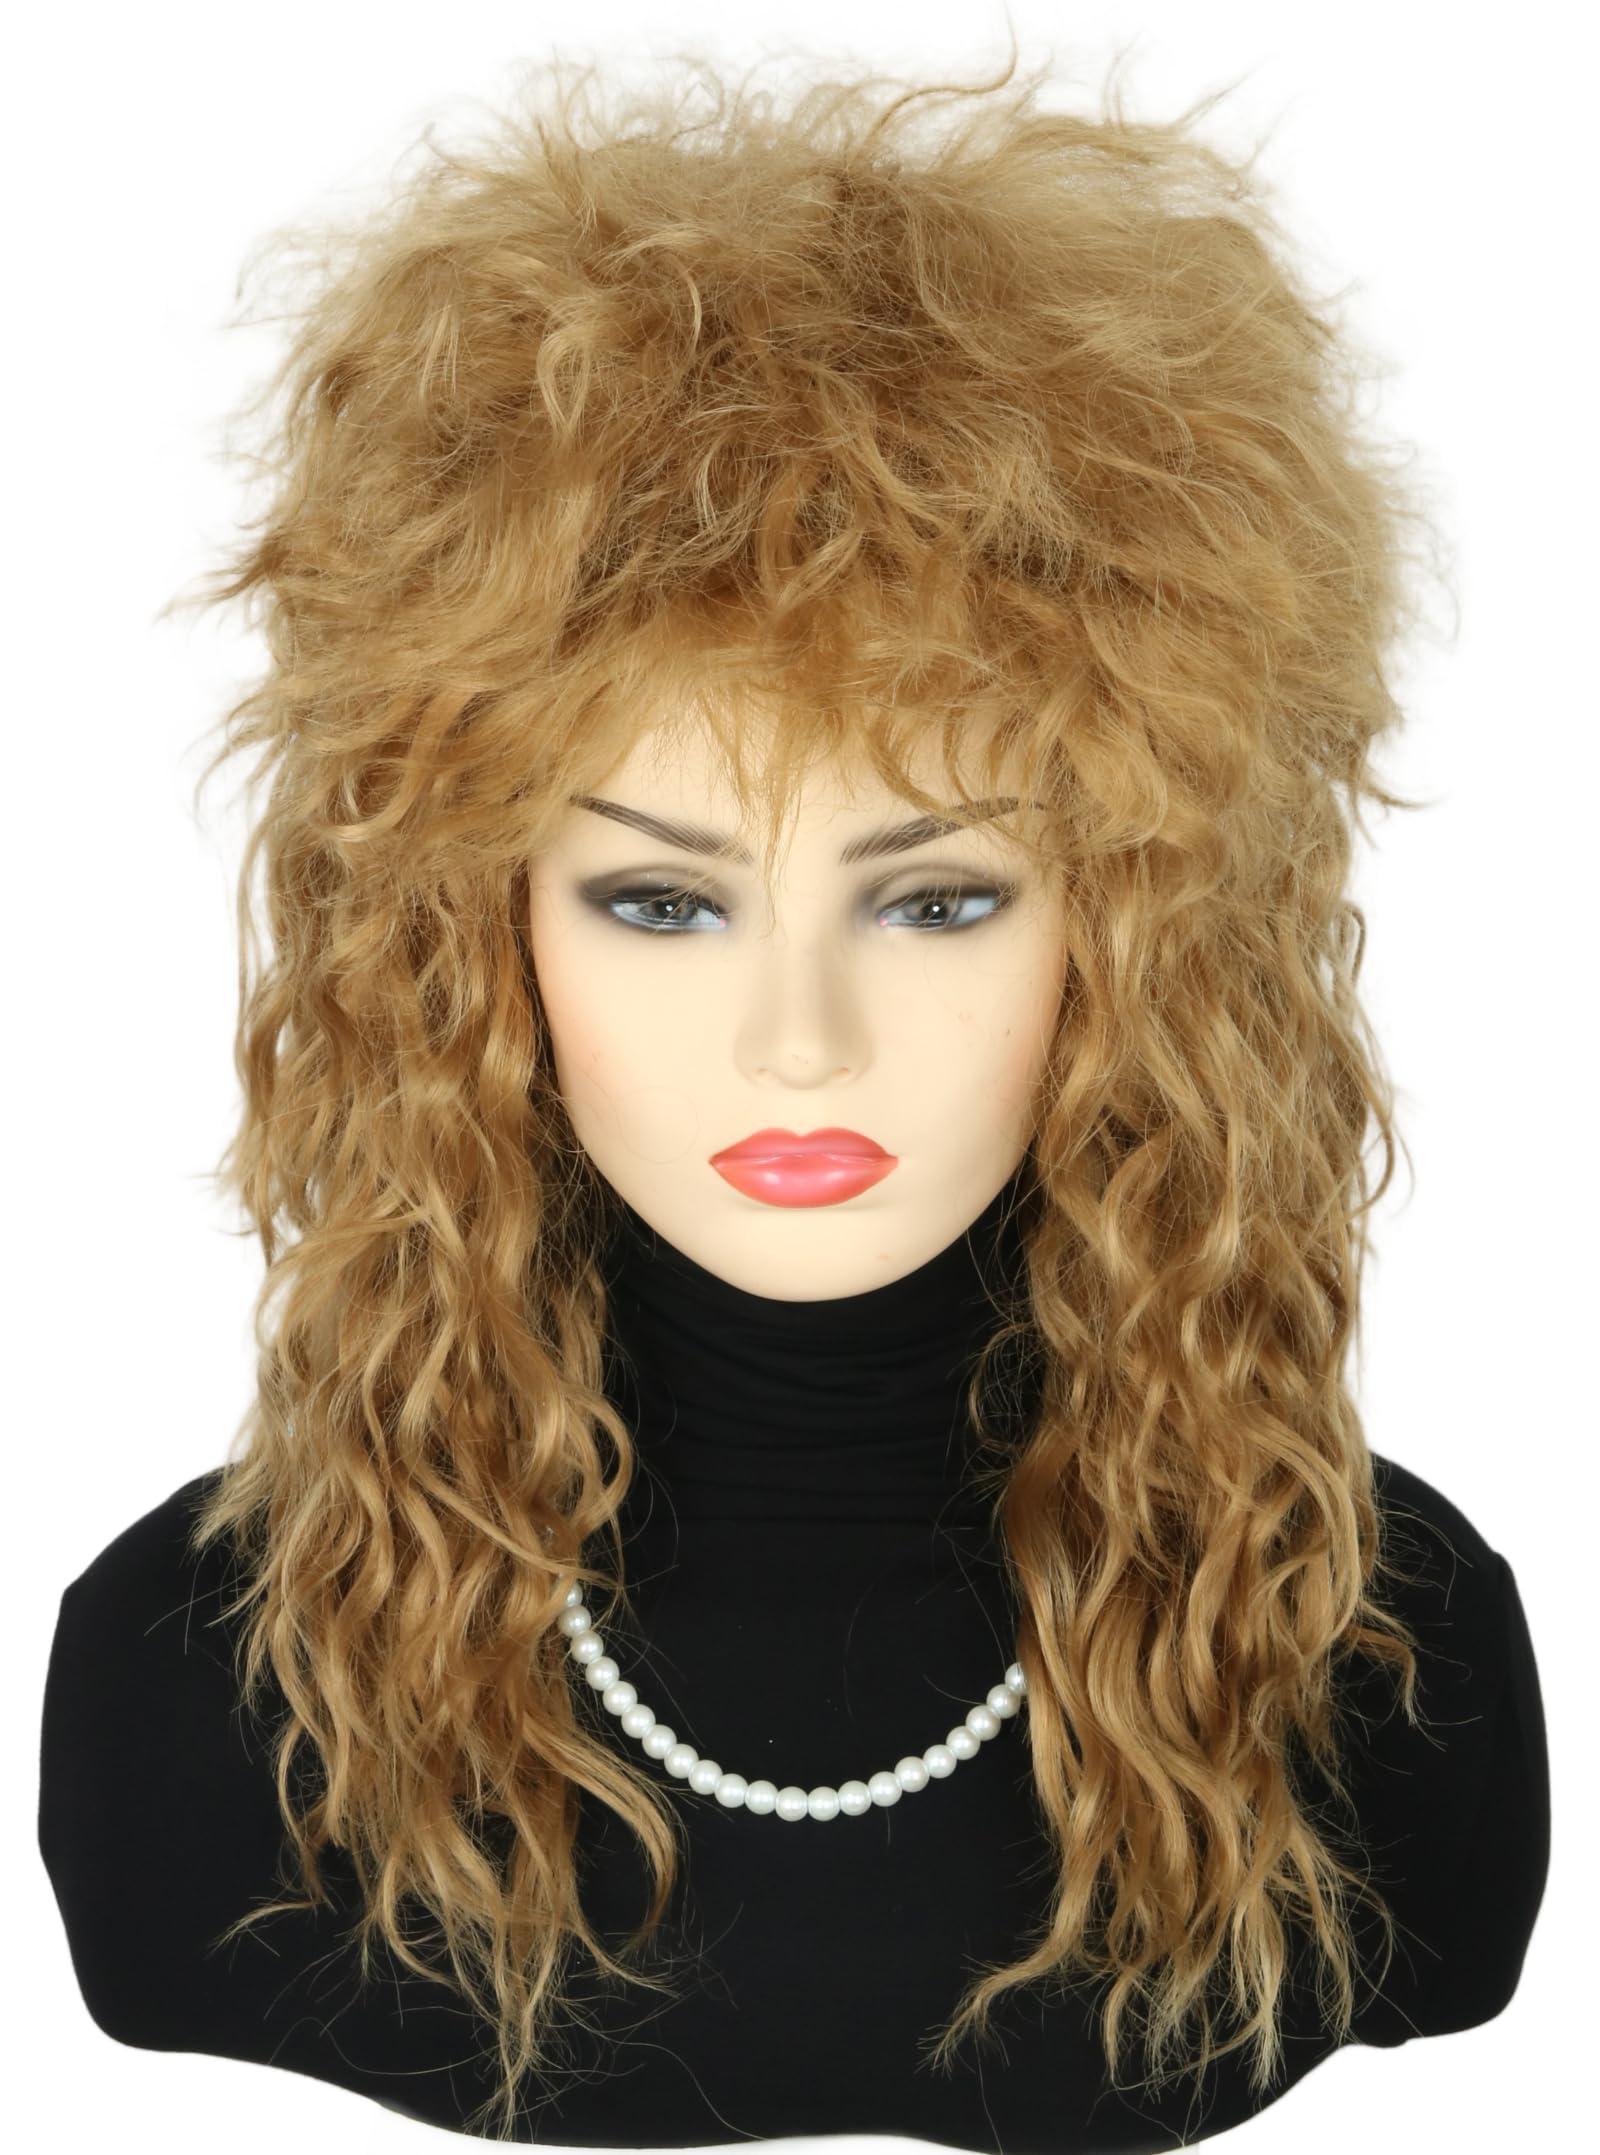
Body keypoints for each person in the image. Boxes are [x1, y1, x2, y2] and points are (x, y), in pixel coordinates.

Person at [37, 43, 1548, 2149]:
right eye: (662, 901)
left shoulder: (1388, 1671)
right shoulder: (192, 1694)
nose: (801, 1040)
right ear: (470, 934)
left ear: (1137, 925)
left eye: (936, 897)